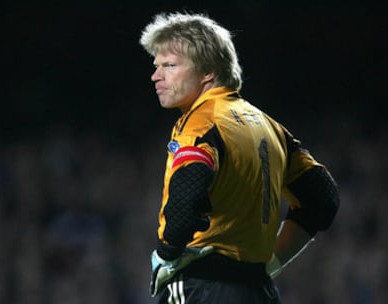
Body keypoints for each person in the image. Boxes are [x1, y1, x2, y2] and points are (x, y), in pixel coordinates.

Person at [139, 11, 340, 304]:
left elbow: (184, 204)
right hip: (259, 291)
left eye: (169, 65)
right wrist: (271, 262)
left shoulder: (200, 121)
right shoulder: (270, 126)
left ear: (207, 71)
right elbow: (324, 199)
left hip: (202, 287)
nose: (156, 75)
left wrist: (167, 253)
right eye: (157, 66)